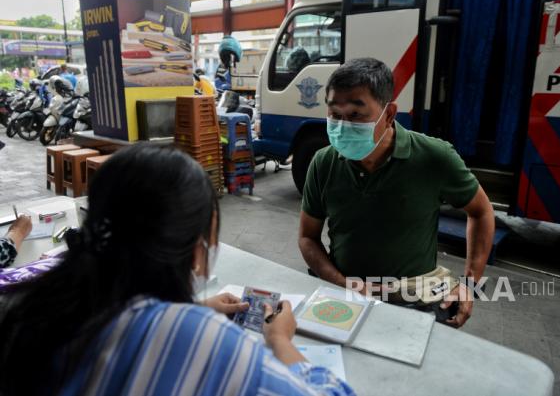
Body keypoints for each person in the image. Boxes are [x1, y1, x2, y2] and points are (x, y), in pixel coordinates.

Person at [0, 144, 355, 396]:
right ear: (198, 251)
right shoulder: (200, 338)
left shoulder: (38, 304)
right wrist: (280, 341)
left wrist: (192, 308)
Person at [299, 58, 495, 328]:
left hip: (417, 299)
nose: (343, 126)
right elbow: (308, 237)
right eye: (334, 114)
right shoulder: (323, 163)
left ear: (389, 114)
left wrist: (469, 285)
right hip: (345, 295)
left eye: (356, 115)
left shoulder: (433, 157)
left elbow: (481, 211)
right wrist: (341, 283)